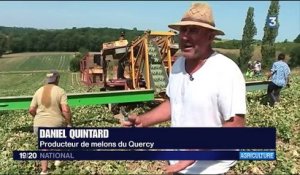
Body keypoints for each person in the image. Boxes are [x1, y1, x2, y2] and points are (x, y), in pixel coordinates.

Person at [121, 3, 246, 174]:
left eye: (193, 30)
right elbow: (174, 104)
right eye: (183, 30)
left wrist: (194, 153)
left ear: (210, 36)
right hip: (178, 163)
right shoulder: (178, 64)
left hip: (212, 168)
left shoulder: (225, 71)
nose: (185, 37)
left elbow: (236, 125)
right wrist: (143, 121)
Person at [29, 70, 72, 175]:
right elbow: (65, 110)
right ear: (57, 79)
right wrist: (69, 123)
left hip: (38, 125)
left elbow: (31, 110)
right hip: (55, 124)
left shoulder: (38, 91)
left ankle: (44, 171)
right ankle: (58, 159)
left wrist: (38, 117)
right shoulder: (60, 91)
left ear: (47, 80)